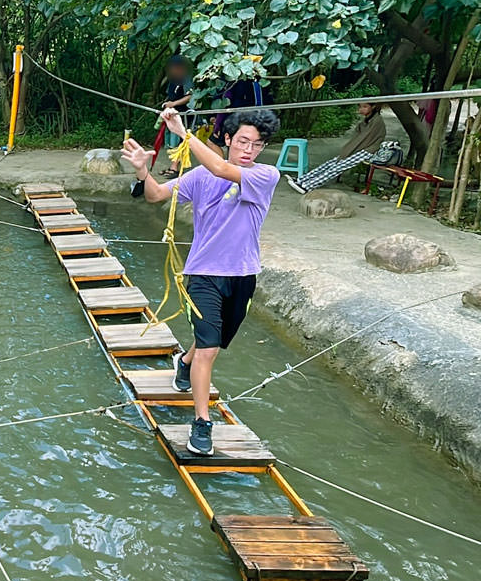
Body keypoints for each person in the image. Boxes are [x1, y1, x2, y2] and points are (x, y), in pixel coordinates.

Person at [121, 106, 281, 456]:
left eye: (256, 145)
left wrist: (184, 133)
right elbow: (155, 196)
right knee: (209, 347)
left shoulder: (265, 175)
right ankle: (202, 422)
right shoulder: (199, 178)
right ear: (227, 138)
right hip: (204, 275)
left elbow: (223, 168)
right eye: (242, 141)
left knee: (216, 343)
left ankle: (185, 363)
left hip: (242, 276)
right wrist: (142, 173)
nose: (248, 150)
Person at [285, 103, 395, 193]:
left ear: (373, 107)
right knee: (330, 163)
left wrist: (349, 151)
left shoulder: (377, 121)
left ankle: (308, 186)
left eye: (365, 107)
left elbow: (363, 139)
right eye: (360, 106)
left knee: (338, 167)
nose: (361, 109)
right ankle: (302, 180)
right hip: (360, 149)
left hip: (368, 151)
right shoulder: (368, 120)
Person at [161, 56, 195, 178]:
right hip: (170, 114)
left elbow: (190, 96)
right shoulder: (172, 80)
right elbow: (169, 95)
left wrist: (173, 104)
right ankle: (172, 166)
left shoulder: (187, 80)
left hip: (183, 115)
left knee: (180, 141)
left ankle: (175, 168)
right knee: (171, 141)